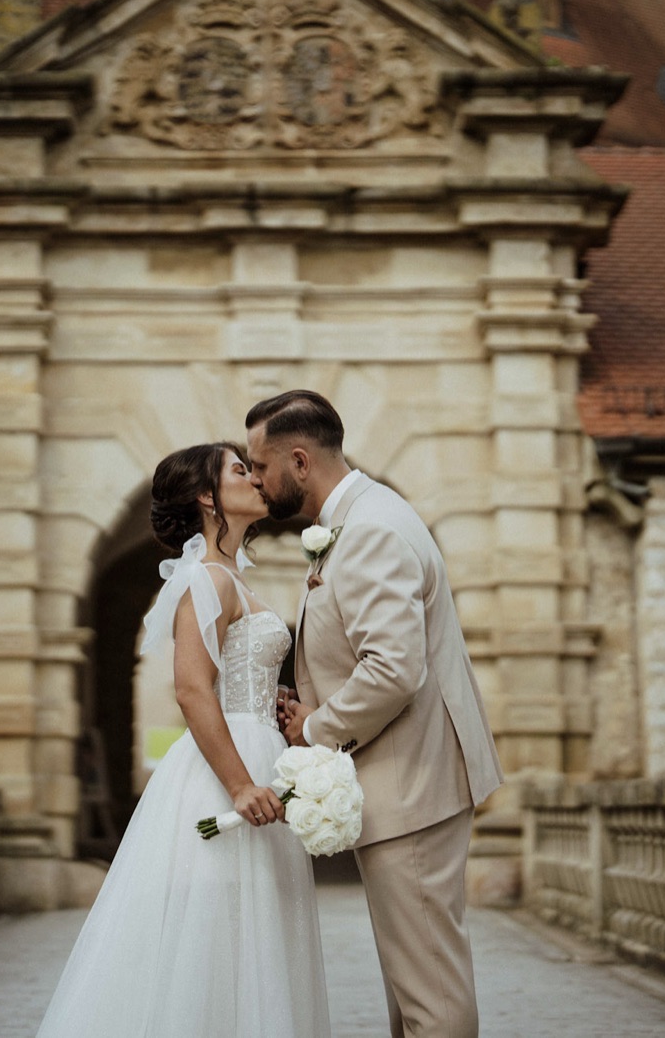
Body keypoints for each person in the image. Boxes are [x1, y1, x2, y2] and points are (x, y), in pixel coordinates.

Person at [33, 442, 330, 1038]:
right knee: (216, 930)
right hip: (227, 774)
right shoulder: (205, 578)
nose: (254, 478)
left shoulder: (231, 577)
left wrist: (264, 701)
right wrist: (241, 785)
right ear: (205, 495)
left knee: (253, 931)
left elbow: (225, 681)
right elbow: (192, 690)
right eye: (239, 471)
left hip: (255, 746)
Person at [247, 391, 504, 1038]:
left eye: (259, 464)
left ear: (299, 461)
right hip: (406, 778)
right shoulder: (359, 518)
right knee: (414, 987)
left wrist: (314, 728)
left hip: (411, 783)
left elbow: (393, 669)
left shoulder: (369, 530)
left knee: (430, 997)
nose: (254, 478)